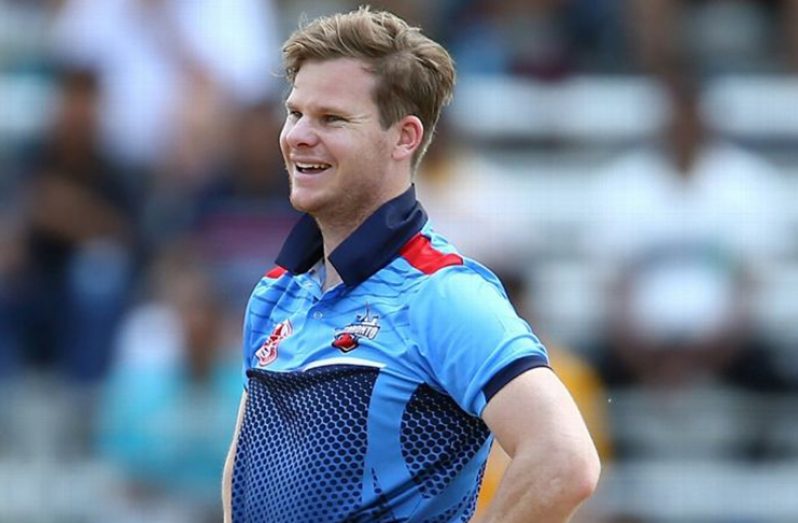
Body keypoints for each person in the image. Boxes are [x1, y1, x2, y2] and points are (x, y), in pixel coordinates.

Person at [222, 7, 600, 523]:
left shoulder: (443, 294)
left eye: (332, 118)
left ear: (404, 137)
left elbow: (564, 461)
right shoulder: (275, 293)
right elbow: (248, 473)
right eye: (295, 113)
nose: (298, 136)